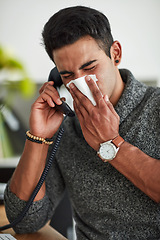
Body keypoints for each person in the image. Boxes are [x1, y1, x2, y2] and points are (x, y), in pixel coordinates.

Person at [4, 6, 160, 240]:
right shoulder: (66, 129)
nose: (80, 83)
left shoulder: (155, 107)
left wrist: (110, 143)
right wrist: (38, 137)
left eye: (90, 68)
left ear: (115, 53)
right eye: (67, 75)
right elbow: (25, 221)